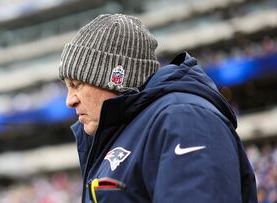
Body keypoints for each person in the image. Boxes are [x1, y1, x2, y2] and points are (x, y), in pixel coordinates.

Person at [59, 14, 257, 203]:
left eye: (77, 84)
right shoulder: (129, 130)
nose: (70, 100)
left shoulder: (185, 118)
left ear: (116, 78)